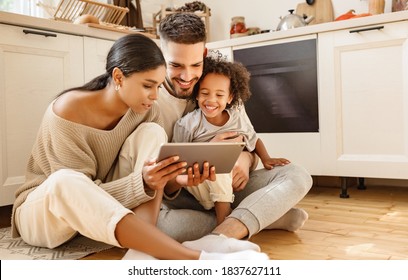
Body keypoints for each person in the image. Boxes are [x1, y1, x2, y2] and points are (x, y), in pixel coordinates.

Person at [10, 33, 269, 260]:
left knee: (153, 133)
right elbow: (80, 197)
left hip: (105, 209)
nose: (155, 96)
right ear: (118, 77)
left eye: (157, 86)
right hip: (46, 214)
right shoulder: (68, 110)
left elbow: (146, 183)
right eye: (148, 86)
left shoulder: (145, 111)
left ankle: (143, 245)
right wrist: (142, 183)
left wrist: (174, 178)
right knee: (65, 180)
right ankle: (194, 258)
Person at [154, 13, 313, 252]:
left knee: (298, 176)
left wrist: (244, 158)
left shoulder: (224, 93)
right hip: (187, 195)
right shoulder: (151, 100)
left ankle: (224, 231)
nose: (187, 77)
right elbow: (164, 179)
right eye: (175, 65)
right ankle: (258, 220)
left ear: (204, 56)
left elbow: (250, 141)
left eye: (195, 65)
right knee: (160, 227)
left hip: (230, 187)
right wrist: (209, 152)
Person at [172, 56, 291, 225]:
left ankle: (228, 214)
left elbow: (253, 138)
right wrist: (208, 151)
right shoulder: (188, 124)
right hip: (198, 184)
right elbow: (180, 158)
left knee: (223, 162)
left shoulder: (236, 119)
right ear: (197, 94)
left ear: (230, 98)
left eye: (219, 95)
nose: (211, 100)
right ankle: (224, 219)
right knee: (218, 161)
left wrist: (266, 158)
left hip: (229, 184)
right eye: (205, 93)